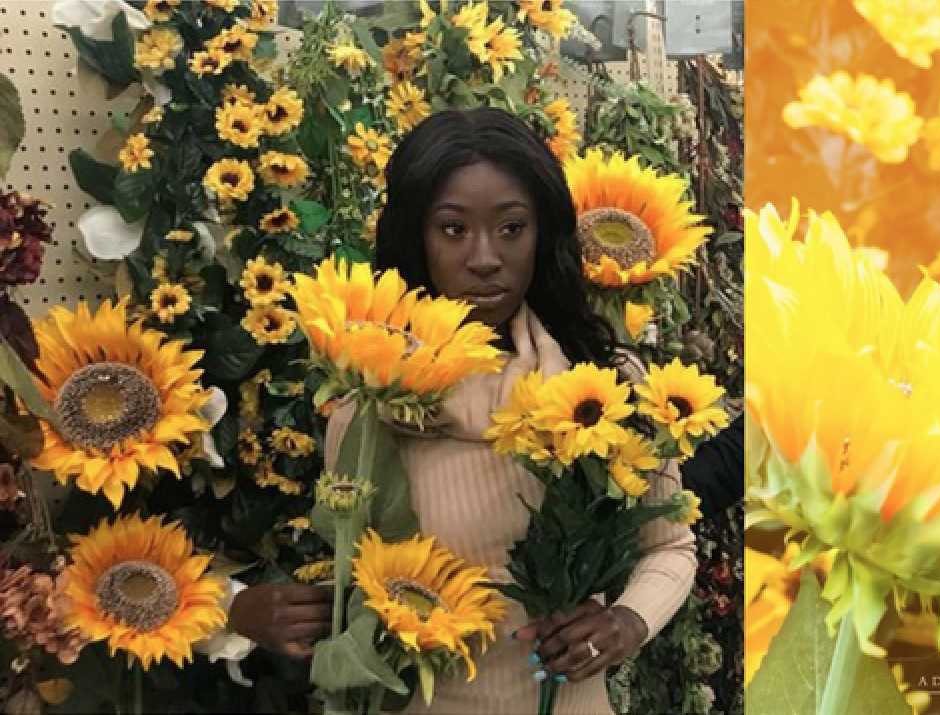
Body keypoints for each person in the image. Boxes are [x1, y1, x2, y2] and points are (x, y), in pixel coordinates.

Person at [230, 107, 697, 714]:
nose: (485, 258)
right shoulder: (368, 403)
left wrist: (629, 622)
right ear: (415, 237)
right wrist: (252, 611)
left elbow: (670, 547)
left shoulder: (605, 388)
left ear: (543, 235)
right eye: (453, 230)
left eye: (511, 229)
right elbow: (371, 584)